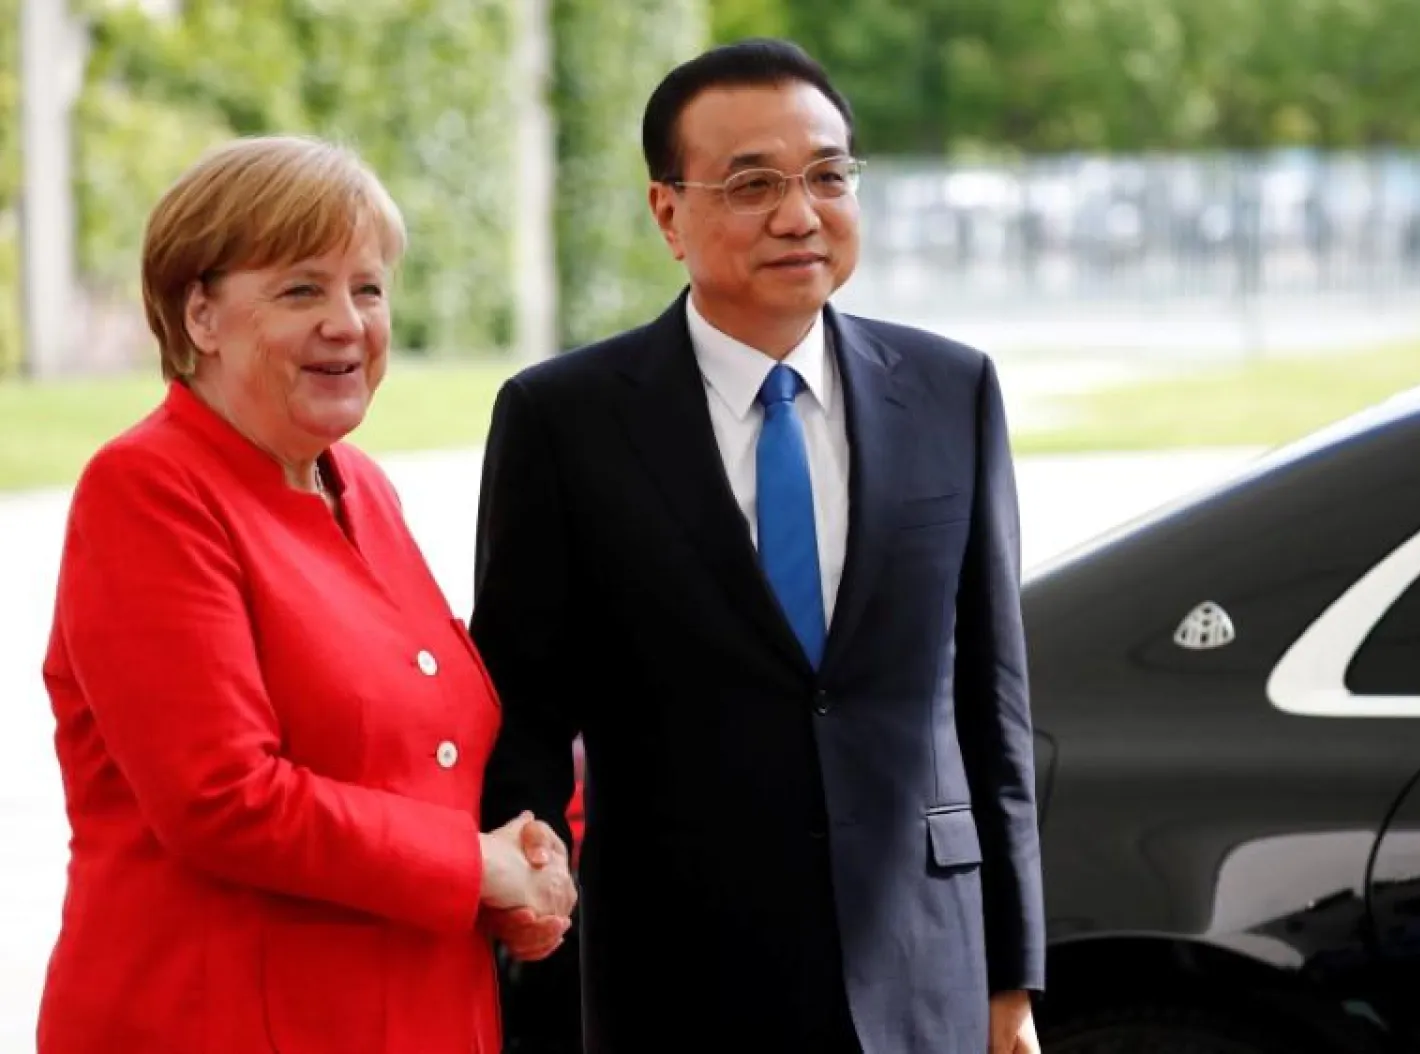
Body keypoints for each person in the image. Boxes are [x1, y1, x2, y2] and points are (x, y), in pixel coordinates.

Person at [472, 38, 1045, 1054]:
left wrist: (1013, 980)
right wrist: (526, 926)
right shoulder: (565, 420)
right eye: (754, 184)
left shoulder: (952, 392)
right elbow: (521, 711)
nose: (799, 213)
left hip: (923, 965)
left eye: (828, 176)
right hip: (680, 973)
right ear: (667, 211)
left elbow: (990, 708)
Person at [36, 135, 576, 1054]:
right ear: (199, 313)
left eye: (367, 288)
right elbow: (221, 797)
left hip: (421, 1014)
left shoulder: (357, 482)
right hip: (222, 1021)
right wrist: (471, 867)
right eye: (301, 289)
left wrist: (523, 863)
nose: (348, 321)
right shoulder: (148, 490)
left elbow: (424, 749)